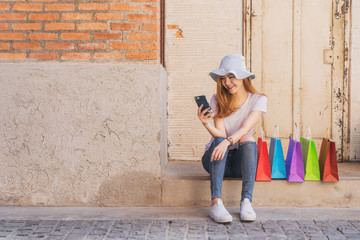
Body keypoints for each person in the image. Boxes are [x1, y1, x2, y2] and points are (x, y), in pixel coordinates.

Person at [197, 54, 267, 223]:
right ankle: (216, 203)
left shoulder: (258, 99)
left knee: (248, 138)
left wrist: (227, 141)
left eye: (231, 77)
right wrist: (206, 124)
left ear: (243, 77)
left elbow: (244, 129)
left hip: (239, 164)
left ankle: (246, 202)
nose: (226, 83)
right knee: (219, 141)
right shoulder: (218, 99)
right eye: (223, 78)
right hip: (215, 160)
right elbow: (220, 133)